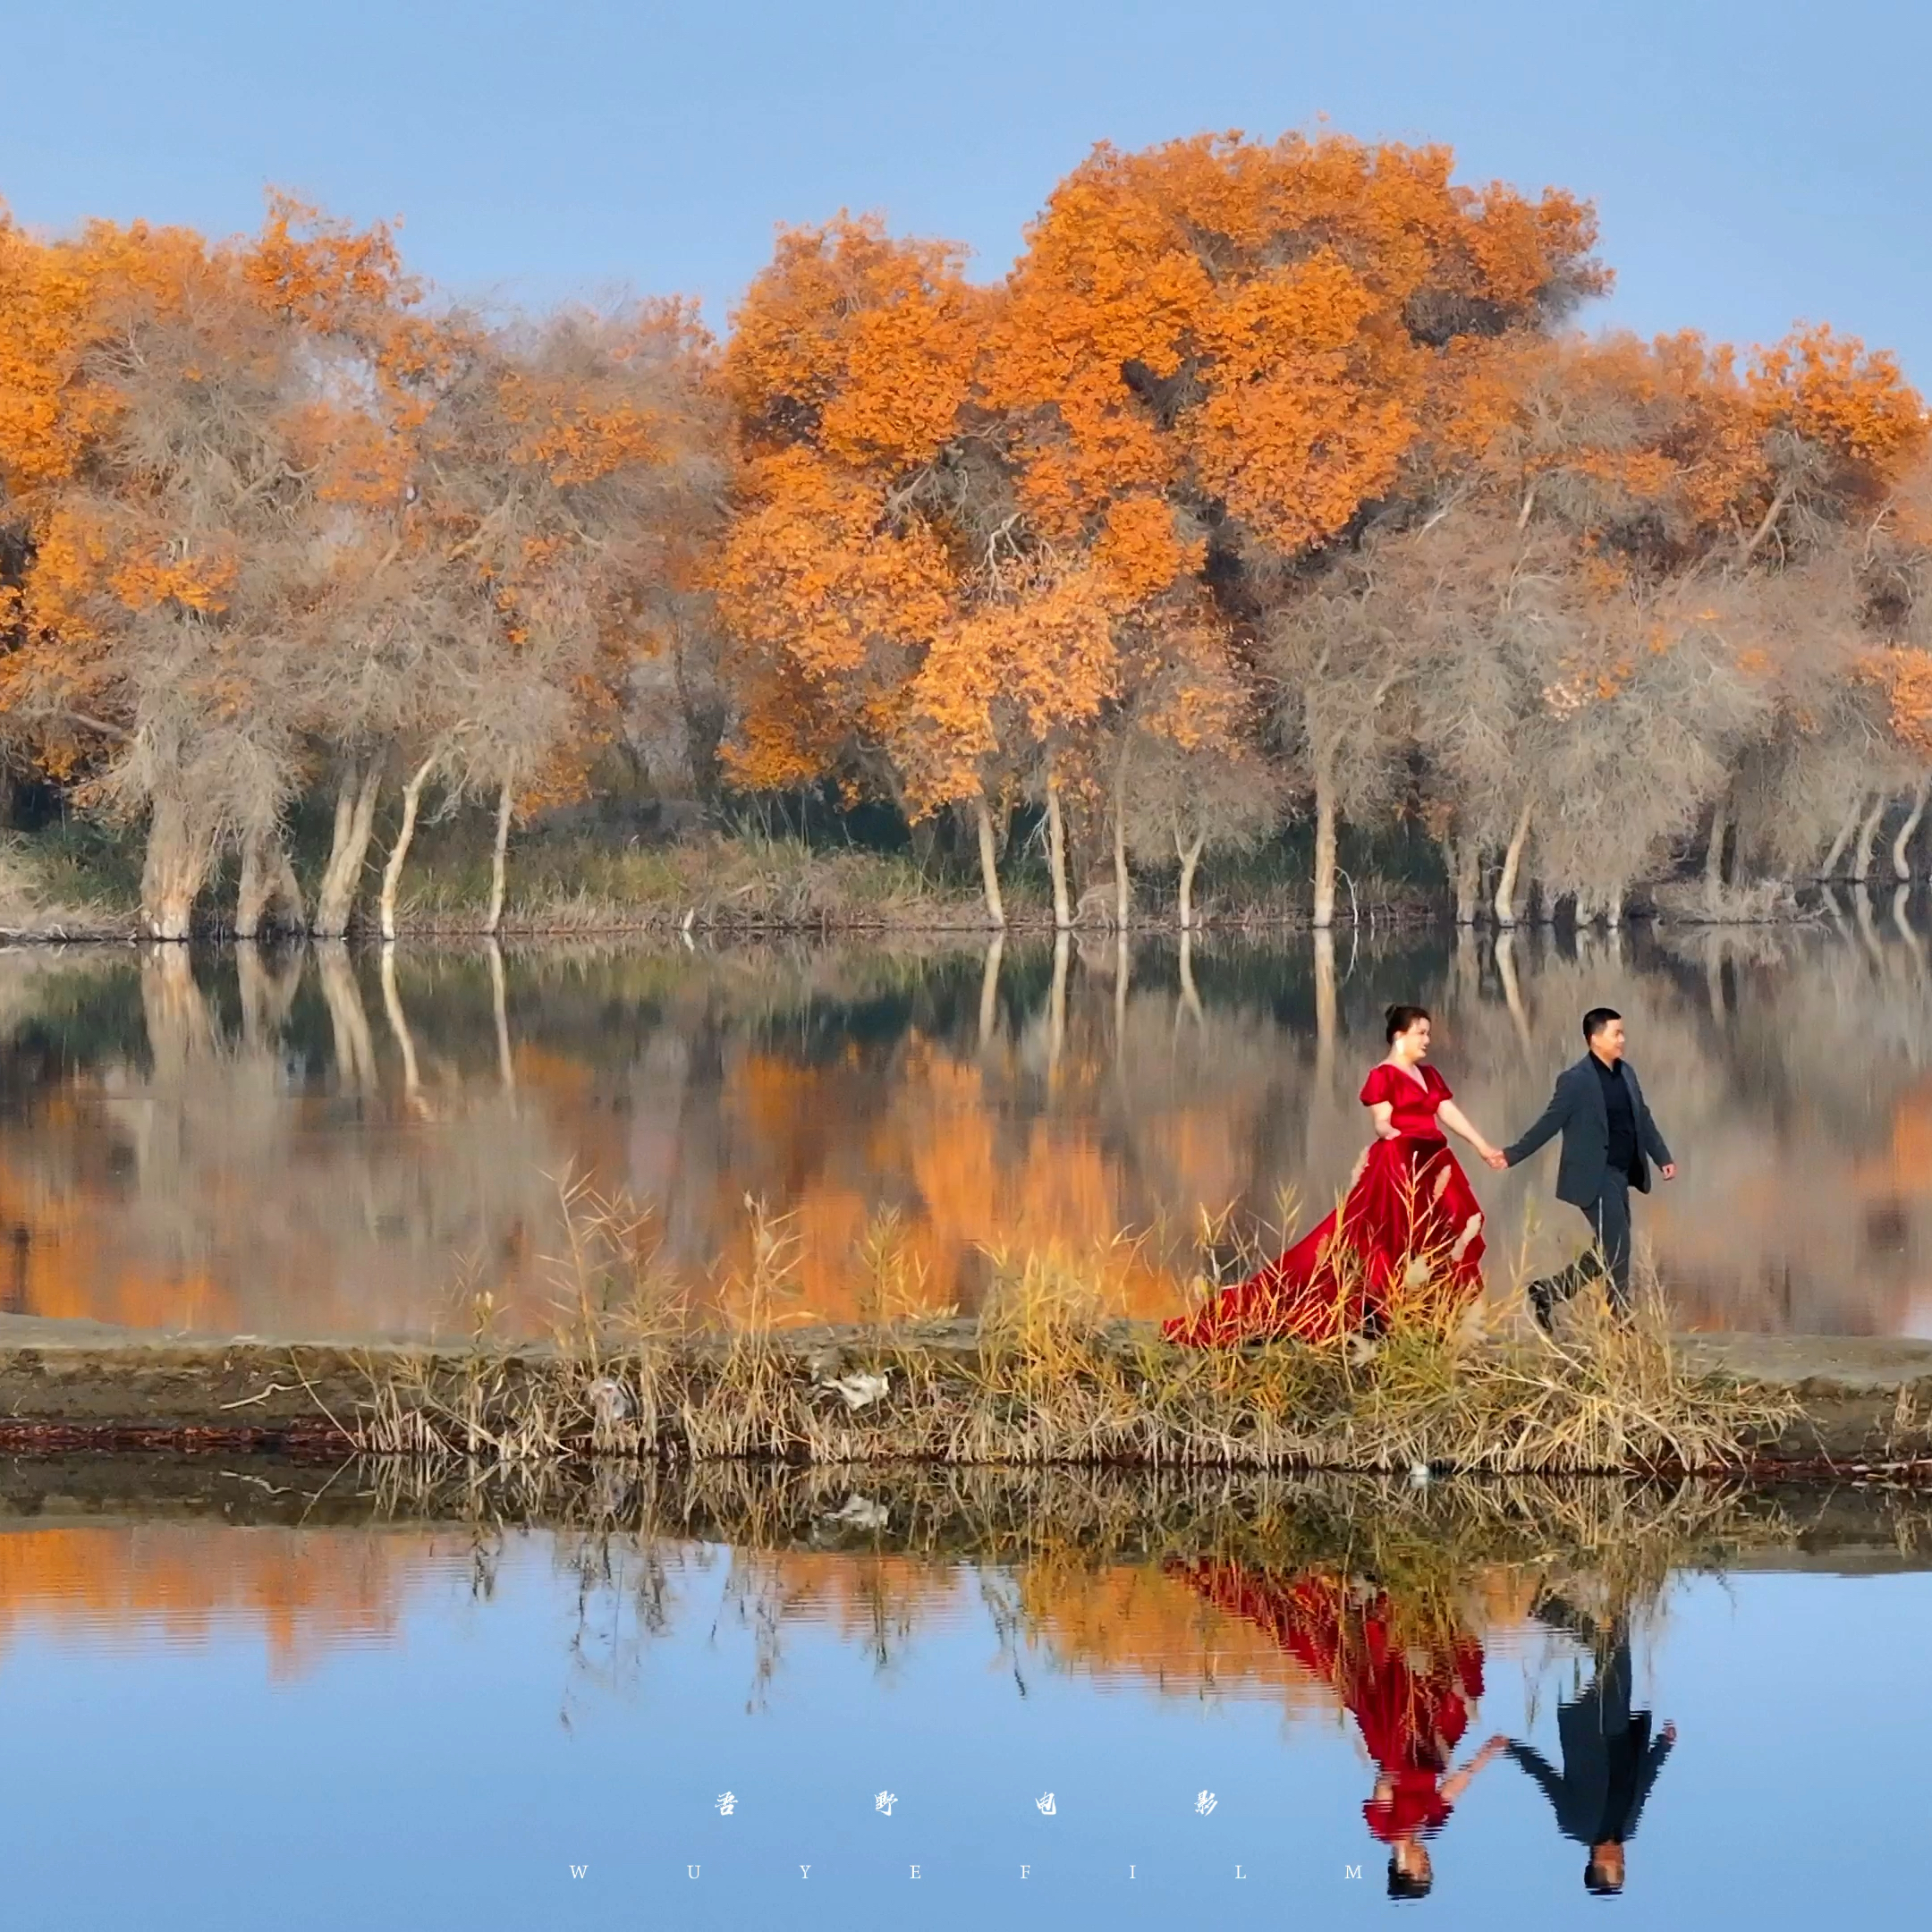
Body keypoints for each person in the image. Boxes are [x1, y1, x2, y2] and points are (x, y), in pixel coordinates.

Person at [1164, 1004, 1504, 1347]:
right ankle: (1378, 1312)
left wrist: (1481, 1146)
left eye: (1427, 1033)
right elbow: (1382, 1120)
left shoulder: (1429, 1075)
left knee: (1439, 1239)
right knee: (1384, 1238)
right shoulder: (1382, 1075)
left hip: (1434, 1164)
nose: (1427, 1040)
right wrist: (1390, 1131)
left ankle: (1429, 1316)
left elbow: (1447, 1111)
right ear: (1400, 1036)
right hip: (1400, 1163)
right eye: (1421, 1033)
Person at [1167, 1559, 1507, 1900]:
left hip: (1397, 1744)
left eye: (1422, 1870)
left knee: (1379, 1672)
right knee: (1462, 1684)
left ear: (1404, 1868)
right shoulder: (1431, 1825)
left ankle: (1367, 1600)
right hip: (1430, 1745)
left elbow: (1385, 1782)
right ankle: (1427, 1601)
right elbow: (1452, 1788)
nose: (1427, 1862)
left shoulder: (1386, 1829)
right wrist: (1486, 1755)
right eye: (1428, 1869)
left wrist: (1410, 1760)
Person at [1487, 1008, 1675, 1330]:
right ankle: (1620, 1318)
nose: (1622, 1040)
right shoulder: (1575, 1081)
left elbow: (1642, 1117)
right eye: (1616, 1033)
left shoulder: (1627, 1073)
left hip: (1620, 1173)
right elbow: (1550, 1123)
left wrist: (1662, 1157)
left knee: (1607, 1248)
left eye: (1622, 1033)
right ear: (1595, 1038)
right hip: (1591, 1176)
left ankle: (1548, 1291)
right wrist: (1512, 1155)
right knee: (1618, 1244)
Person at [1504, 1596, 1676, 1897]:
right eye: (1623, 1869)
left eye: (1617, 1869)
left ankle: (1559, 1607)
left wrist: (1513, 1749)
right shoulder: (1628, 1828)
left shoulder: (1575, 1823)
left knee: (1616, 1658)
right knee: (1615, 1656)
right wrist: (1663, 1746)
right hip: (1621, 1730)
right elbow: (1642, 1784)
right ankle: (1603, 1600)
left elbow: (1547, 1780)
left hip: (1590, 1731)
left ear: (1597, 1862)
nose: (1623, 1862)